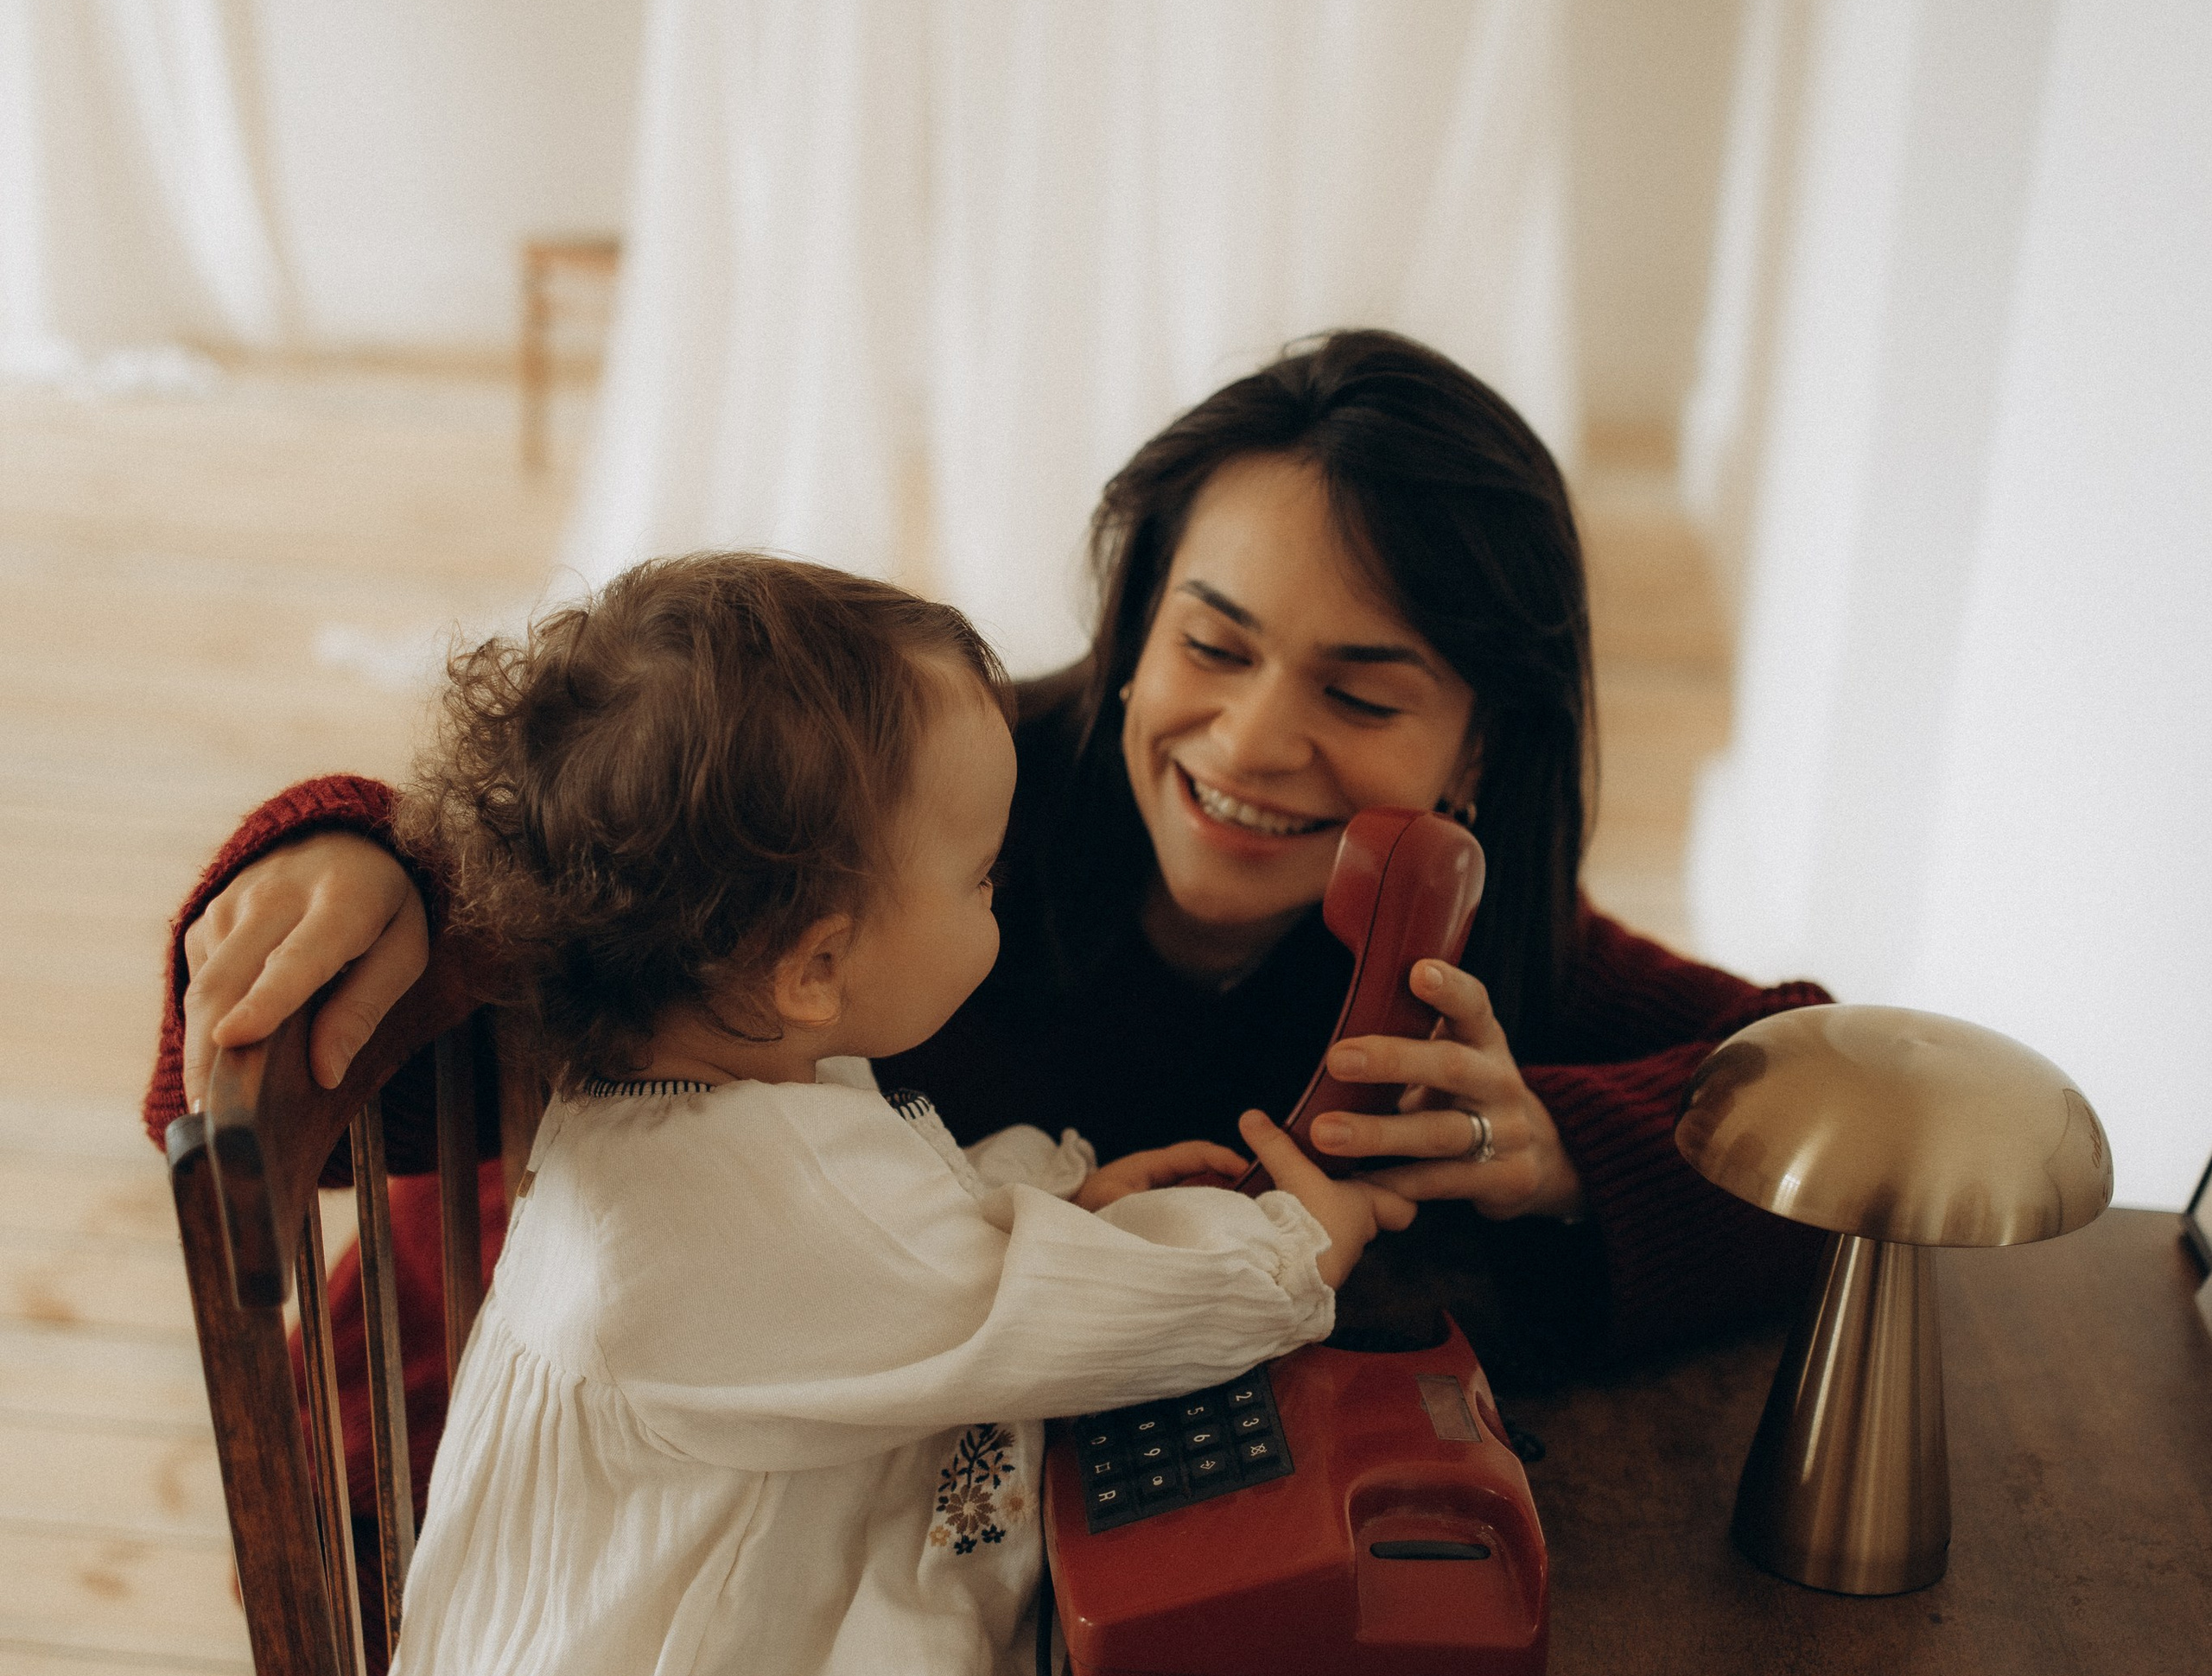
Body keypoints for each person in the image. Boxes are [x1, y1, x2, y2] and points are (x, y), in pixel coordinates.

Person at [144, 330, 1829, 1523]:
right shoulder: (892, 822)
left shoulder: (1451, 950)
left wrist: (1558, 1162)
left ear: (1478, 743)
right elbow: (334, 1045)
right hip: (524, 1512)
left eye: (1361, 690)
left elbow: (1819, 1095)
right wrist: (367, 850)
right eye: (1212, 645)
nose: (1247, 744)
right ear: (1131, 618)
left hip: (890, 1552)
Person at [365, 553, 1396, 1676]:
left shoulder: (697, 1106)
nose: (1006, 906)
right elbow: (1011, 1315)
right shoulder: (728, 1216)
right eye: (981, 878)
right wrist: (1300, 1244)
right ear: (815, 967)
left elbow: (907, 1240)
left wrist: (1042, 1216)